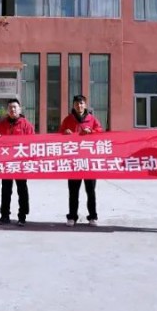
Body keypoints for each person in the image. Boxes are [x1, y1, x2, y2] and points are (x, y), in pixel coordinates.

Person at [60, 95, 104, 227]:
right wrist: (65, 132)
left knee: (90, 191)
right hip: (73, 161)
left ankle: (92, 217)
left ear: (85, 105)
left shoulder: (92, 119)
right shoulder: (68, 120)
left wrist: (91, 131)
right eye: (76, 104)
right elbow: (60, 135)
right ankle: (72, 216)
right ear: (73, 105)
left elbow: (101, 133)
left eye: (81, 103)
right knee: (73, 191)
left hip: (89, 161)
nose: (79, 106)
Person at [0, 98, 35, 226]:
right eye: (10, 107)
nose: (12, 110)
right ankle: (4, 215)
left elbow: (33, 143)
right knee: (6, 190)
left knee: (22, 190)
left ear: (19, 109)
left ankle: (22, 216)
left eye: (15, 107)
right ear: (7, 110)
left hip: (21, 163)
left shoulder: (26, 125)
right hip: (6, 163)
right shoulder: (1, 124)